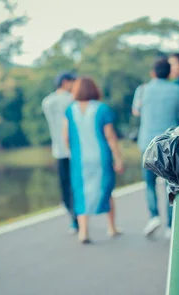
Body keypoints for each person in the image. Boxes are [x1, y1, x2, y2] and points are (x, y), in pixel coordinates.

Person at [63, 77, 124, 244]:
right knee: (106, 189)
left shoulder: (70, 110)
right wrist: (118, 158)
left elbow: (66, 136)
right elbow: (110, 136)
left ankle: (83, 232)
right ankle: (111, 227)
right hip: (101, 157)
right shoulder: (102, 109)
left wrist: (72, 152)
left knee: (81, 191)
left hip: (79, 159)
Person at [132, 58, 179, 239]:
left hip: (147, 141)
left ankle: (154, 216)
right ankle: (170, 226)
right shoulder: (176, 89)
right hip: (169, 142)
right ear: (169, 72)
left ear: (153, 72)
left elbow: (136, 111)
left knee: (149, 182)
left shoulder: (143, 89)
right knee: (170, 182)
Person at [42, 72, 78, 234]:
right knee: (75, 185)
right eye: (72, 82)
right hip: (74, 150)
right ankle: (78, 219)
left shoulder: (47, 102)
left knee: (65, 186)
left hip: (59, 151)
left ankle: (73, 220)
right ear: (65, 82)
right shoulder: (72, 100)